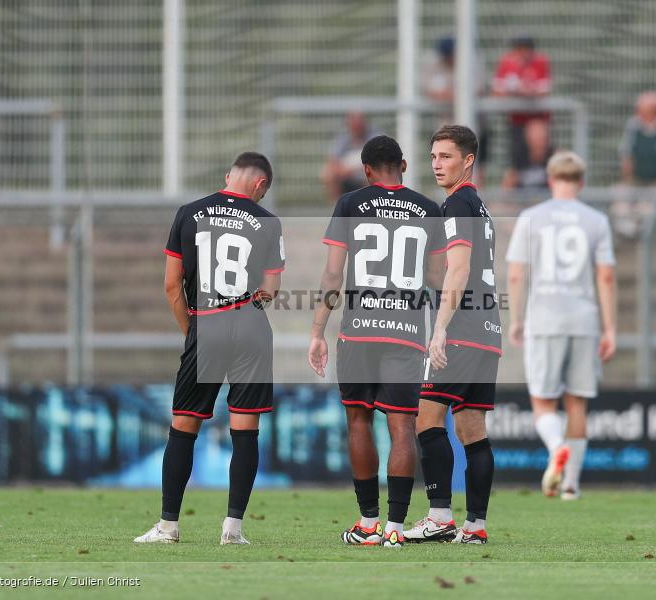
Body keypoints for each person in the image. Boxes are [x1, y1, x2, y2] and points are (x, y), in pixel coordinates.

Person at [134, 152, 285, 545]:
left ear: (228, 177)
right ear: (260, 186)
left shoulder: (188, 212)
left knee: (184, 424)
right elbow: (271, 290)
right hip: (251, 326)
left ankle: (168, 527)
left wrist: (193, 331)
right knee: (245, 427)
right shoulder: (268, 221)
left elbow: (171, 286)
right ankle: (232, 530)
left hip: (206, 323)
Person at [308, 135, 444, 548]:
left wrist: (318, 331)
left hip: (359, 331)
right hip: (406, 333)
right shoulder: (428, 209)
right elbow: (438, 281)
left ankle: (367, 523)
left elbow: (333, 275)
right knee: (402, 424)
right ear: (403, 163)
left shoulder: (349, 204)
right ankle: (396, 529)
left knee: (359, 420)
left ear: (365, 170)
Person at [405, 125, 501, 545]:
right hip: (489, 328)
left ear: (468, 160)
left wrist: (440, 328)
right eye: (433, 157)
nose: (437, 164)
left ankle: (440, 516)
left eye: (446, 156)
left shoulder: (458, 202)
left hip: (463, 327)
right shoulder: (478, 205)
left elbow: (459, 271)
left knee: (426, 418)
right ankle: (475, 526)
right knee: (472, 428)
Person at [506, 151, 617, 500]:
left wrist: (516, 318)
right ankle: (570, 484)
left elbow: (515, 272)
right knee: (577, 403)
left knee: (542, 402)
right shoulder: (596, 220)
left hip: (545, 317)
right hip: (584, 319)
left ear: (551, 180)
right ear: (581, 182)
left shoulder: (530, 218)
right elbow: (607, 276)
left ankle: (556, 447)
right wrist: (610, 327)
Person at [423, 36, 490, 184]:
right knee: (447, 162)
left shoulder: (471, 61)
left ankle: (474, 195)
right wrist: (456, 94)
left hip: (473, 124)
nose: (449, 59)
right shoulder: (434, 63)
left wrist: (454, 94)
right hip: (446, 123)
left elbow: (477, 90)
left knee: (474, 163)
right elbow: (432, 91)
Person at [492, 36, 552, 191]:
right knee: (515, 168)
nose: (524, 54)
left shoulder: (540, 62)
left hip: (536, 117)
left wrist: (525, 91)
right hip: (517, 121)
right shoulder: (507, 62)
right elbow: (498, 90)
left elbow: (543, 90)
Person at [320, 112, 376, 202]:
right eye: (353, 121)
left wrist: (352, 169)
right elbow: (332, 161)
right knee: (328, 173)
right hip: (346, 177)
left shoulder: (375, 137)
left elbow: (378, 162)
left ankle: (369, 209)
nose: (356, 125)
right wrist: (343, 170)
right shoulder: (342, 139)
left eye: (359, 121)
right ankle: (338, 209)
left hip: (366, 177)